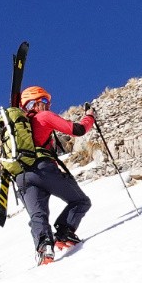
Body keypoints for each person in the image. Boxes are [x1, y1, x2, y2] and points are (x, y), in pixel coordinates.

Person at [16, 86, 94, 264]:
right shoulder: (43, 116)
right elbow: (78, 130)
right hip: (43, 169)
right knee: (80, 201)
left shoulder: (18, 128)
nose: (48, 105)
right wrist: (89, 116)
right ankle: (64, 233)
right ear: (34, 103)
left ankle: (44, 249)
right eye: (44, 101)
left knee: (38, 215)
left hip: (21, 176)